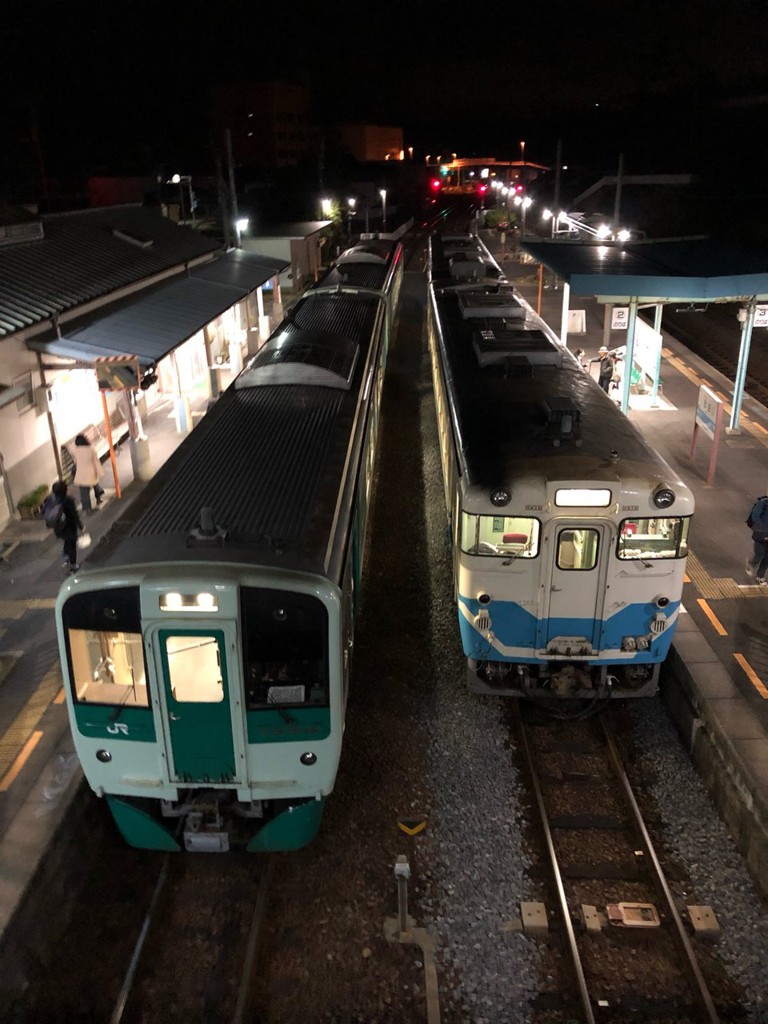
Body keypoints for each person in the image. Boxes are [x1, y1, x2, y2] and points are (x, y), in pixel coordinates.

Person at [49, 480, 84, 573]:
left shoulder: (53, 501)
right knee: (72, 544)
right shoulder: (68, 501)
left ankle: (65, 557)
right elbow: (74, 515)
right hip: (70, 526)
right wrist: (81, 526)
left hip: (60, 527)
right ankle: (73, 565)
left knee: (66, 541)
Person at [72, 434, 105, 512]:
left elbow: (76, 462)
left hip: (80, 474)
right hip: (91, 473)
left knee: (84, 492)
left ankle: (87, 508)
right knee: (95, 484)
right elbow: (96, 462)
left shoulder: (75, 451)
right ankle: (99, 498)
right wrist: (101, 472)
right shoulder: (91, 450)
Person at [745, 494, 768, 584]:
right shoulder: (763, 503)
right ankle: (752, 563)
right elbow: (755, 516)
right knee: (760, 554)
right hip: (761, 534)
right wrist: (765, 530)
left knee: (767, 558)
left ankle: (760, 576)